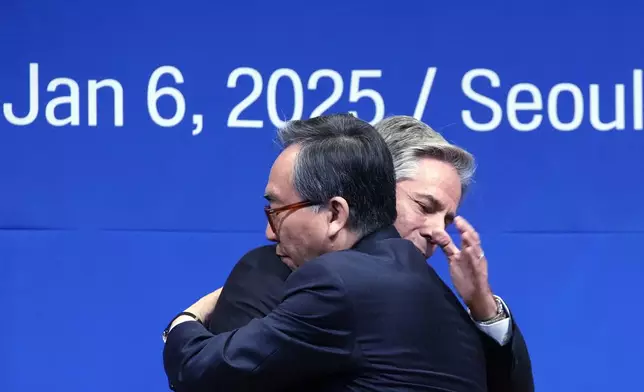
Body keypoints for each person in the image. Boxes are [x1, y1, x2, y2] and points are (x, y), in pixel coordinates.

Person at [162, 114, 488, 391]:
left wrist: (184, 322)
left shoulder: (339, 282)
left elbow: (208, 372)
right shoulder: (449, 304)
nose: (270, 231)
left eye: (278, 209)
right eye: (424, 207)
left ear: (335, 214)